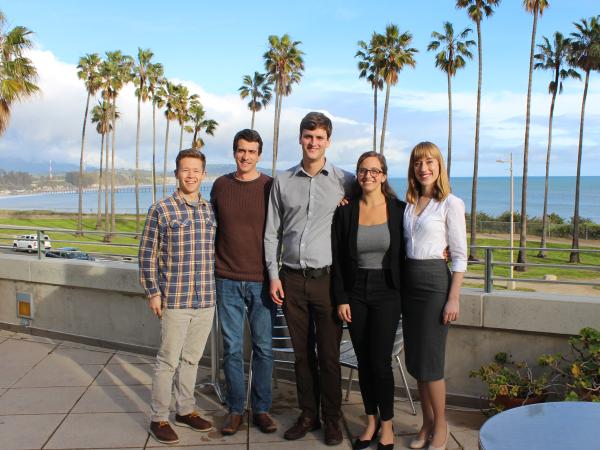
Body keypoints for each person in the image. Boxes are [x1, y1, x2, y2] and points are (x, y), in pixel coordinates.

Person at [264, 111, 354, 445]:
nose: (313, 142)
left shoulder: (346, 181)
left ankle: (332, 419)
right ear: (300, 138)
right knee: (302, 355)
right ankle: (308, 414)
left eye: (319, 137)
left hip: (328, 282)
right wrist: (274, 277)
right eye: (307, 136)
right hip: (290, 280)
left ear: (328, 141)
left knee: (329, 356)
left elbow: (379, 206)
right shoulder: (282, 181)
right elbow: (271, 233)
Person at [139, 148, 216, 445]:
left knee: (192, 359)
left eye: (196, 170)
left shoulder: (209, 210)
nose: (191, 175)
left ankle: (185, 410)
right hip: (175, 298)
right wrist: (153, 293)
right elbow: (147, 255)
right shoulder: (162, 209)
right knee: (167, 360)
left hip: (206, 299)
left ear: (204, 174)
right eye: (186, 170)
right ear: (176, 173)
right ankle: (159, 417)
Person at [332, 151, 405, 450]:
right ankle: (371, 421)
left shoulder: (400, 210)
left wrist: (445, 253)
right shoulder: (346, 211)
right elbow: (337, 259)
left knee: (380, 362)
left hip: (388, 291)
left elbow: (416, 245)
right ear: (358, 175)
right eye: (363, 170)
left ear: (384, 175)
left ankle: (387, 425)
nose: (369, 175)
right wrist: (341, 298)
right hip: (356, 291)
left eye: (375, 171)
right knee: (364, 361)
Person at [210, 129, 276, 436]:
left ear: (259, 154)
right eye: (241, 150)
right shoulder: (221, 186)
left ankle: (261, 409)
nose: (245, 156)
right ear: (234, 152)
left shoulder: (270, 187)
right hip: (226, 280)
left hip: (262, 281)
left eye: (251, 151)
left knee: (263, 348)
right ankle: (236, 410)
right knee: (232, 349)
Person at [402, 142, 467, 450]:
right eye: (418, 163)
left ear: (439, 166)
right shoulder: (409, 203)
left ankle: (441, 426)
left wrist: (453, 298)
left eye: (429, 162)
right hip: (409, 286)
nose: (423, 168)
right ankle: (426, 423)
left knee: (431, 364)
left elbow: (459, 256)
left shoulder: (451, 203)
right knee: (416, 362)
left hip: (434, 287)